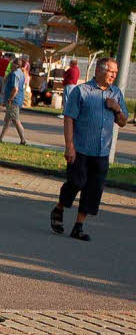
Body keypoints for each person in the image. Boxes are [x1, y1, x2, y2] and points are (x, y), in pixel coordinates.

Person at [50, 57, 128, 242]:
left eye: (116, 73)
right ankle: (59, 208)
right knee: (76, 182)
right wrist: (69, 146)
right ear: (100, 71)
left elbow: (123, 122)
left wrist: (117, 109)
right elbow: (69, 118)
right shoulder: (82, 91)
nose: (114, 76)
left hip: (101, 152)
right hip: (81, 149)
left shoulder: (116, 93)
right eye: (111, 72)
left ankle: (78, 226)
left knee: (93, 189)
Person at [0, 57, 27, 145]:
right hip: (17, 99)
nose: (11, 65)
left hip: (13, 100)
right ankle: (0, 138)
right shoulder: (20, 73)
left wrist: (10, 99)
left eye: (12, 64)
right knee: (8, 120)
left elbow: (15, 89)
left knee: (15, 119)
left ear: (16, 65)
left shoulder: (15, 74)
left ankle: (23, 139)